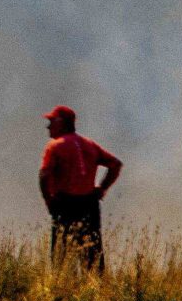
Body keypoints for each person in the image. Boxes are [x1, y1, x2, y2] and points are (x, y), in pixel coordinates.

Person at [38, 104, 121, 271]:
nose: (48, 126)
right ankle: (96, 292)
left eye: (52, 121)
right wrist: (101, 188)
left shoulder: (55, 146)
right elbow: (115, 164)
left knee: (61, 257)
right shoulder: (89, 144)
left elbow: (44, 175)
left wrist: (49, 200)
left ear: (62, 123)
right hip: (89, 204)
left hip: (65, 204)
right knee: (92, 255)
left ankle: (62, 292)